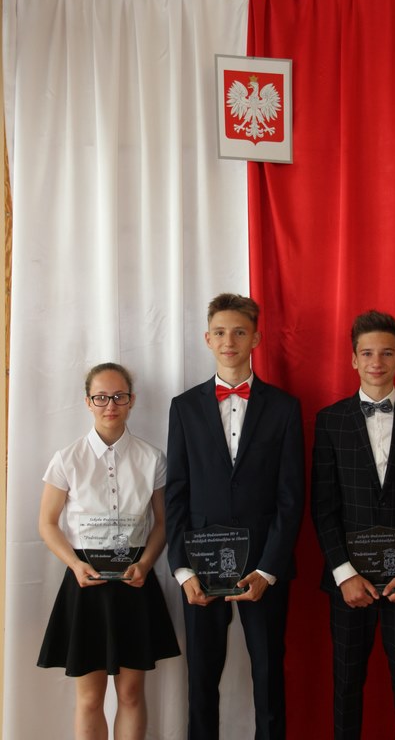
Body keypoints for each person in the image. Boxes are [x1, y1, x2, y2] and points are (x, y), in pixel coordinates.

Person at [165, 292, 304, 740]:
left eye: (239, 332)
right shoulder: (184, 407)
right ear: (207, 339)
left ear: (256, 339)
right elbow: (177, 494)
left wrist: (269, 569)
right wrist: (183, 570)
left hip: (263, 566)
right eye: (221, 332)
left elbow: (290, 497)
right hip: (201, 569)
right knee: (202, 679)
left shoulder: (285, 407)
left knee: (269, 675)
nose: (230, 341)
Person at [311, 310, 395, 740]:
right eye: (368, 353)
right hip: (350, 582)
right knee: (346, 686)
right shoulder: (330, 420)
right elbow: (323, 505)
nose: (377, 362)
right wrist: (344, 574)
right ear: (353, 359)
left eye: (387, 353)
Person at [37, 362, 180, 740]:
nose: (110, 405)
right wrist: (74, 564)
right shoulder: (67, 459)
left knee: (131, 693)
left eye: (119, 396)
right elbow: (47, 523)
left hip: (136, 580)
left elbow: (162, 523)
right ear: (88, 402)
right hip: (85, 582)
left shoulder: (153, 458)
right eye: (101, 397)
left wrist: (146, 563)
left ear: (132, 400)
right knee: (89, 698)